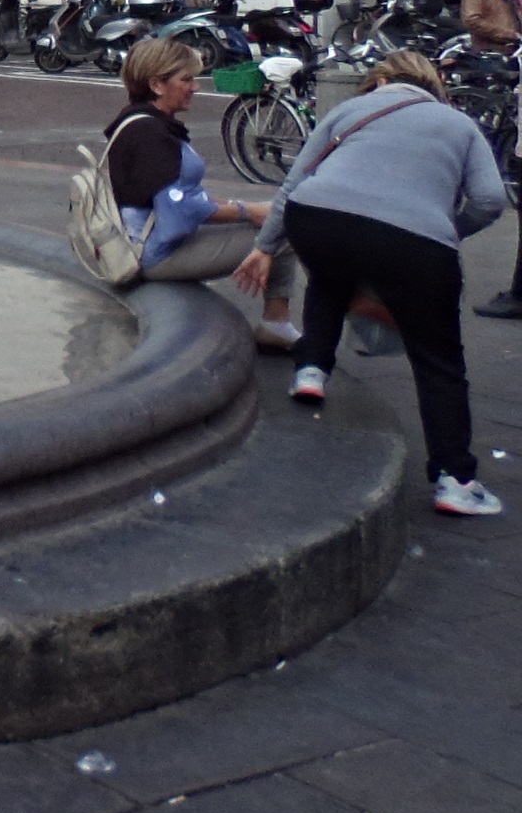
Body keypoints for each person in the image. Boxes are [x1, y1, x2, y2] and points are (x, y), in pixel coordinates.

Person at [235, 50, 506, 516]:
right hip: (414, 241)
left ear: (380, 82)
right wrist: (446, 231)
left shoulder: (347, 110)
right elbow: (489, 199)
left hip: (316, 219)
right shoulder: (459, 125)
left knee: (329, 277)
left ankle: (311, 369)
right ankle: (454, 479)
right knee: (439, 360)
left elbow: (294, 182)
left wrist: (264, 246)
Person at [104, 38, 302, 349]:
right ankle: (275, 323)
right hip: (154, 255)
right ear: (157, 84)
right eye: (186, 79)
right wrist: (248, 212)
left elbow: (182, 196)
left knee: (272, 216)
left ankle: (276, 324)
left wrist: (250, 207)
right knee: (281, 229)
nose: (195, 86)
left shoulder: (141, 122)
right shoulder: (150, 133)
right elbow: (180, 210)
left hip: (147, 244)